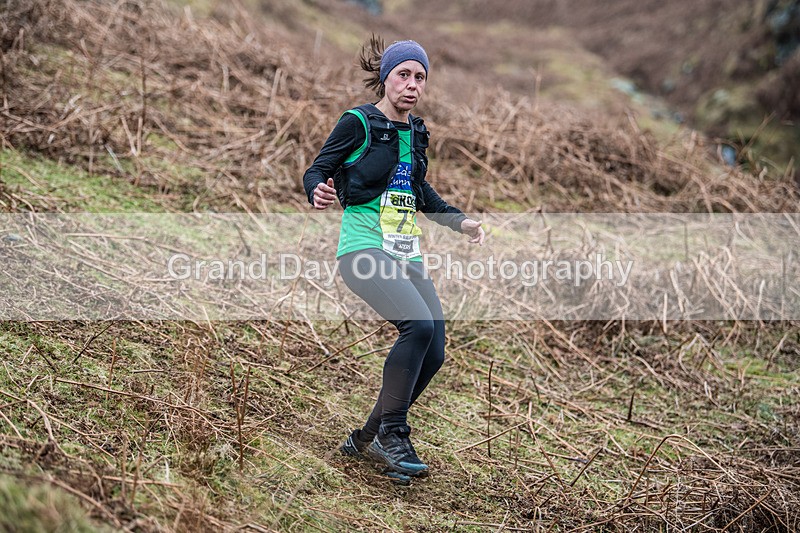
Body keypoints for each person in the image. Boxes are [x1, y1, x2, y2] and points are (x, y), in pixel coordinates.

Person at [303, 36, 485, 478]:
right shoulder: (358, 123)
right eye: (404, 74)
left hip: (406, 253)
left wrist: (459, 221)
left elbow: (418, 191)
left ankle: (367, 437)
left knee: (434, 350)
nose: (412, 84)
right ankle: (393, 433)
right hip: (363, 249)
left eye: (420, 77)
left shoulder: (416, 132)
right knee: (417, 326)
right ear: (386, 78)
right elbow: (318, 168)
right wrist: (317, 190)